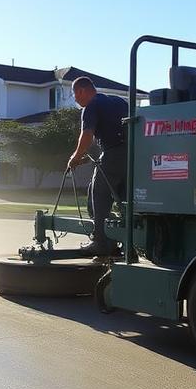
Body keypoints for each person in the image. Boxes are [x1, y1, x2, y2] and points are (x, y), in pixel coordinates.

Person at [66, 76, 128, 257]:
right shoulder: (118, 101)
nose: (76, 100)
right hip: (134, 155)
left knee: (97, 195)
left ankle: (101, 242)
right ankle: (128, 242)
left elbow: (87, 135)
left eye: (74, 95)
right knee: (125, 201)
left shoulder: (91, 106)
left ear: (81, 91)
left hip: (113, 154)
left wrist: (75, 157)